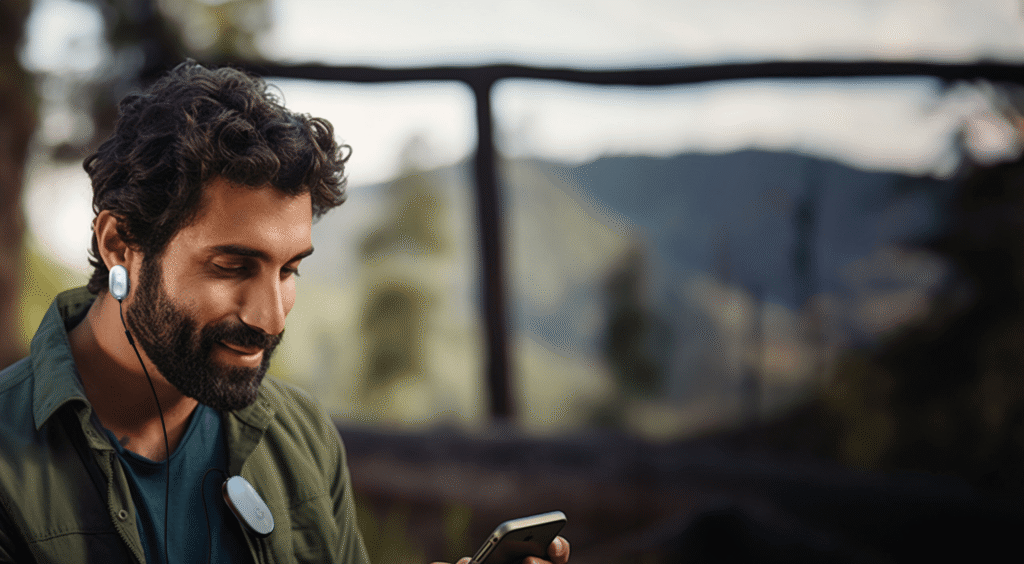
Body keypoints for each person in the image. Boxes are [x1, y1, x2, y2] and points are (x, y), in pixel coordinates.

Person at [0, 60, 569, 564]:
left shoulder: (301, 439)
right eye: (231, 266)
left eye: (290, 269)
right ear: (120, 243)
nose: (270, 317)